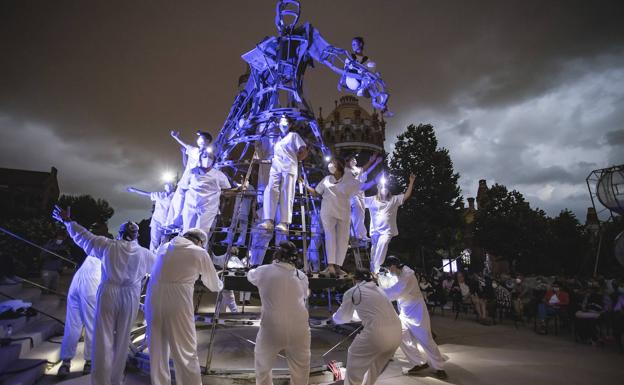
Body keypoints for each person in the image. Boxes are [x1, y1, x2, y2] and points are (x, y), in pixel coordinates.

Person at [52, 206, 155, 385]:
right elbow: (161, 271)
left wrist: (68, 221)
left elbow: (84, 236)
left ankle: (100, 380)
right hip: (130, 295)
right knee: (122, 340)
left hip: (109, 292)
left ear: (119, 233)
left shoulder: (107, 246)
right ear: (137, 235)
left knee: (103, 337)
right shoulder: (146, 254)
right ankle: (115, 380)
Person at [145, 228, 222, 385]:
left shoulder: (164, 247)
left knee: (157, 349)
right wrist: (220, 281)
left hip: (153, 298)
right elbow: (213, 285)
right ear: (200, 242)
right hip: (178, 301)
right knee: (185, 349)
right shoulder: (199, 252)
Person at [248, 241, 310, 385]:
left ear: (277, 254)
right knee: (300, 370)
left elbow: (250, 275)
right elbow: (305, 295)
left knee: (262, 368)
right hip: (299, 329)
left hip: (271, 329)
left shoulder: (263, 271)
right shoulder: (302, 276)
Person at [380, 257, 448, 379]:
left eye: (388, 268)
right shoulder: (398, 272)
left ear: (393, 266)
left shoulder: (407, 275)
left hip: (417, 312)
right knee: (400, 334)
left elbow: (394, 292)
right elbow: (389, 282)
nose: (388, 271)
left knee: (425, 339)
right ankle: (418, 362)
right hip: (405, 311)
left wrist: (378, 292)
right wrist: (380, 278)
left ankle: (439, 367)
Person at [332, 269, 402, 385]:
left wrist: (333, 319)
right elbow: (371, 311)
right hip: (397, 335)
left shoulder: (353, 291)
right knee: (374, 367)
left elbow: (342, 318)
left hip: (377, 335)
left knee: (354, 357)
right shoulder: (380, 290)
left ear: (354, 279)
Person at [56, 224, 107, 378]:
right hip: (90, 285)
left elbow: (80, 236)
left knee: (72, 324)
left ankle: (65, 362)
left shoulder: (92, 249)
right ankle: (90, 362)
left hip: (76, 283)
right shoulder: (108, 250)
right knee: (92, 325)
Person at [258, 115, 308, 233]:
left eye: (285, 122)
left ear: (290, 124)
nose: (283, 124)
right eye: (281, 122)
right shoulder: (278, 139)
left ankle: (284, 222)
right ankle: (268, 220)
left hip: (289, 167)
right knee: (270, 190)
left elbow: (304, 150)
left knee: (286, 193)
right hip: (276, 167)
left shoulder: (294, 136)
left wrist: (297, 160)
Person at [364, 173, 416, 273]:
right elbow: (358, 201)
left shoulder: (394, 199)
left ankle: (377, 269)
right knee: (374, 251)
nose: (385, 190)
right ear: (379, 189)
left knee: (382, 244)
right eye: (382, 188)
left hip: (387, 231)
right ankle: (373, 271)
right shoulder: (372, 200)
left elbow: (406, 196)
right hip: (375, 232)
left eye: (386, 188)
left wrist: (411, 182)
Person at [166, 130, 214, 228]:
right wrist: (175, 137)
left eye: (202, 138)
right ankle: (172, 222)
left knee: (188, 203)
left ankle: (184, 223)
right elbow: (185, 145)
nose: (199, 140)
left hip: (195, 182)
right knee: (177, 200)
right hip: (185, 179)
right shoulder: (194, 150)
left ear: (208, 141)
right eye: (199, 138)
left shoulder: (209, 154)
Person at [182, 152, 231, 238]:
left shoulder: (219, 175)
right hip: (190, 206)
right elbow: (183, 187)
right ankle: (184, 250)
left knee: (200, 235)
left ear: (214, 160)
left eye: (210, 157)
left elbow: (228, 192)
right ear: (200, 158)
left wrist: (238, 190)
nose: (207, 158)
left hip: (208, 208)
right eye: (204, 156)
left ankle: (198, 251)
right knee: (187, 232)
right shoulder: (191, 172)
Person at [126, 183, 174, 251]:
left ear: (172, 188)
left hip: (166, 222)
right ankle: (152, 255)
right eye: (167, 186)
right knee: (154, 240)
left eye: (170, 186)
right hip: (156, 220)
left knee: (165, 242)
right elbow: (147, 194)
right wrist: (134, 190)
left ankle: (162, 256)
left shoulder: (174, 196)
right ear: (165, 188)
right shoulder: (159, 195)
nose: (169, 187)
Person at [40, 229, 71, 293]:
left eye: (63, 238)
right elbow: (43, 254)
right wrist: (55, 254)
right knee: (45, 288)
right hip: (47, 269)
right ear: (57, 236)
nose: (62, 239)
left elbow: (67, 257)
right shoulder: (49, 244)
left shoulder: (62, 246)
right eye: (61, 237)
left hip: (56, 270)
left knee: (54, 289)